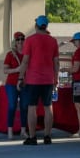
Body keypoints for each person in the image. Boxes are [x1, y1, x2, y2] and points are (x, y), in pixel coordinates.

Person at [21, 14, 60, 145]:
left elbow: (25, 61)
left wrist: (21, 77)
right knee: (48, 107)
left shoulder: (30, 40)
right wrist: (56, 78)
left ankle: (32, 137)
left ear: (36, 25)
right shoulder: (53, 41)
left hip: (33, 79)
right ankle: (47, 136)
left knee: (32, 107)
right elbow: (56, 62)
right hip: (48, 79)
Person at [1, 31, 27, 138]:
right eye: (18, 39)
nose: (20, 41)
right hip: (11, 84)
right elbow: (5, 70)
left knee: (24, 106)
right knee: (12, 106)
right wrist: (17, 69)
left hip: (25, 83)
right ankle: (10, 130)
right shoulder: (10, 54)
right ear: (14, 42)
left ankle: (23, 130)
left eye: (22, 39)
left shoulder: (27, 54)